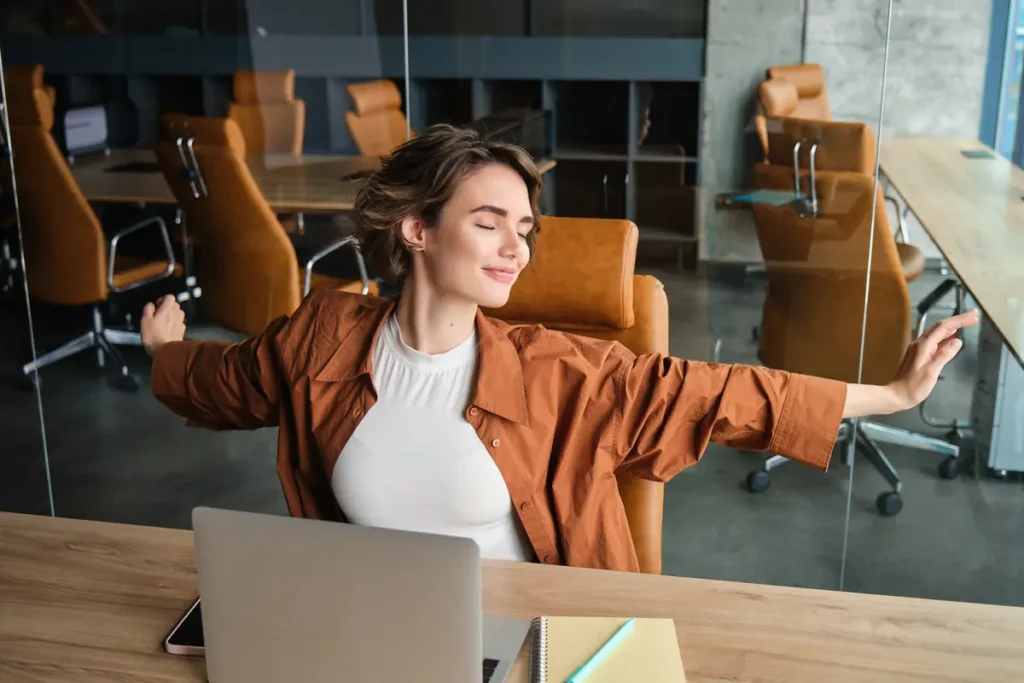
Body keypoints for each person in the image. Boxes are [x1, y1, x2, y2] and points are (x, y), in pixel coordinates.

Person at [142, 123, 977, 572]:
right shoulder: (322, 338)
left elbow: (721, 393)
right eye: (489, 223)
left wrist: (892, 394)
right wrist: (166, 355)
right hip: (379, 638)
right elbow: (228, 380)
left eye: (525, 229)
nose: (517, 248)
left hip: (527, 647)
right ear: (417, 229)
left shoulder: (555, 369)